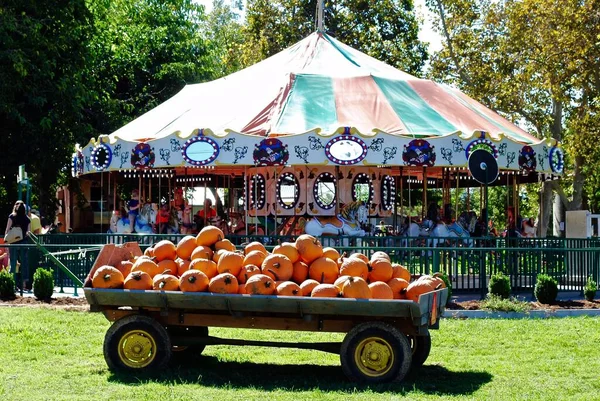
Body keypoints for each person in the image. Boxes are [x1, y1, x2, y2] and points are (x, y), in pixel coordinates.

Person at [5, 200, 31, 290]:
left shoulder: (12, 217)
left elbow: (7, 230)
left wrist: (6, 241)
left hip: (13, 243)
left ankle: (12, 283)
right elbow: (28, 233)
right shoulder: (27, 219)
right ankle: (24, 284)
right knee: (24, 263)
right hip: (24, 242)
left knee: (13, 262)